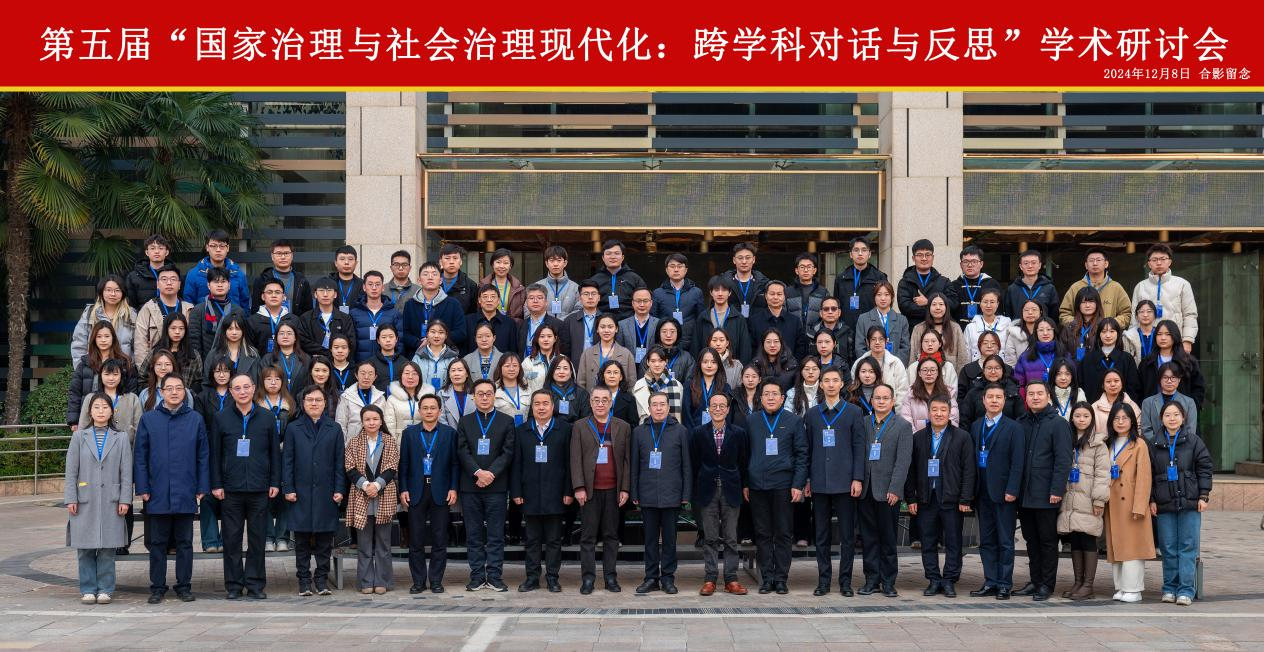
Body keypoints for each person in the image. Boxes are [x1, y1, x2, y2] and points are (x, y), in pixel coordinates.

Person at [134, 373, 210, 604]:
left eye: (179, 388)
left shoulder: (195, 419)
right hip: (157, 491)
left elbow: (203, 455)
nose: (174, 392)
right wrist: (142, 487)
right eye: (169, 388)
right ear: (161, 392)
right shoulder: (149, 419)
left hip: (186, 489)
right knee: (157, 543)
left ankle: (184, 586)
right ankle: (157, 587)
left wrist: (202, 486)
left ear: (185, 391)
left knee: (185, 543)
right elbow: (140, 457)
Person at [210, 373, 280, 600]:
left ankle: (255, 584)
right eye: (237, 388)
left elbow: (274, 453)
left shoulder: (267, 417)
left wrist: (274, 482)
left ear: (253, 388)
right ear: (231, 391)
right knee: (231, 539)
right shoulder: (220, 418)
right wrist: (216, 484)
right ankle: (233, 585)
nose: (242, 392)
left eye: (246, 387)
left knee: (257, 539)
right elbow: (215, 454)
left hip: (260, 488)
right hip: (231, 489)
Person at [65, 392, 133, 605]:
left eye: (105, 407)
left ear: (112, 411)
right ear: (90, 411)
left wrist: (125, 499)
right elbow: (71, 471)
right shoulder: (79, 437)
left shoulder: (121, 438)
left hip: (111, 500)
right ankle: (87, 588)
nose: (101, 411)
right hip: (84, 499)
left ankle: (105, 588)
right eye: (96, 407)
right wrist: (71, 498)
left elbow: (126, 472)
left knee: (107, 548)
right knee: (84, 547)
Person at [804, 368, 866, 596]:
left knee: (847, 537)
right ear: (820, 384)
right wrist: (807, 479)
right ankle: (823, 581)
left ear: (842, 384)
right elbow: (807, 449)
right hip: (819, 482)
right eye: (826, 381)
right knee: (821, 536)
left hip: (845, 482)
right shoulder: (812, 414)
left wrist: (857, 478)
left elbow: (859, 448)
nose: (831, 384)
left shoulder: (853, 412)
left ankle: (845, 582)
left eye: (835, 380)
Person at [905, 395, 975, 598]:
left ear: (950, 412)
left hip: (952, 499)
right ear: (928, 412)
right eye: (934, 410)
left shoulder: (962, 437)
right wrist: (911, 498)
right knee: (927, 542)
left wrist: (965, 498)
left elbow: (969, 470)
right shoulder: (918, 437)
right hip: (926, 499)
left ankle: (949, 580)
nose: (938, 414)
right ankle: (934, 579)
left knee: (953, 542)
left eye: (943, 410)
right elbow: (911, 471)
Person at [744, 381, 808, 595]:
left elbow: (802, 455)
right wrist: (746, 482)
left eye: (774, 394)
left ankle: (781, 579)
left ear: (782, 398)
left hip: (784, 485)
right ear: (760, 398)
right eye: (766, 394)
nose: (770, 397)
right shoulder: (751, 421)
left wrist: (798, 484)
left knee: (783, 533)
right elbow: (745, 454)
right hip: (757, 485)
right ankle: (766, 578)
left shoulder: (794, 421)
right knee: (762, 533)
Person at [281, 385, 346, 597]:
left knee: (324, 540)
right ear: (303, 403)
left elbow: (339, 462)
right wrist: (288, 488)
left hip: (326, 492)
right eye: (310, 400)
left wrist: (339, 489)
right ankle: (303, 580)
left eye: (318, 400)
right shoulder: (294, 428)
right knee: (301, 540)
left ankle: (321, 580)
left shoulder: (334, 428)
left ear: (325, 403)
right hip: (300, 492)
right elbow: (287, 461)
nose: (314, 403)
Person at [1150, 401, 1213, 606]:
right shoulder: (1154, 444)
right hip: (1164, 503)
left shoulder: (1194, 441)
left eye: (1176, 414)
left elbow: (1205, 468)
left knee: (1188, 546)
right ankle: (1169, 588)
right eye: (1167, 415)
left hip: (1190, 502)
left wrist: (1204, 495)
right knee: (1168, 547)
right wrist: (1151, 499)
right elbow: (1148, 475)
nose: (1172, 418)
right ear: (1161, 419)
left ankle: (1186, 589)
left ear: (1183, 417)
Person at [1015, 381, 1073, 601]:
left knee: (1047, 541)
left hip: (1047, 493)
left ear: (1049, 396)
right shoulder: (1021, 422)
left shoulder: (1058, 424)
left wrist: (1057, 489)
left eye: (1040, 393)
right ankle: (1035, 580)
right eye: (1031, 394)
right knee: (1031, 540)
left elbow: (1063, 459)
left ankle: (1046, 584)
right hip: (1025, 492)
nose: (1035, 397)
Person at [570, 386, 631, 594]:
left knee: (611, 536)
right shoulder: (580, 426)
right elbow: (575, 458)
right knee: (587, 537)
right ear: (590, 402)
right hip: (589, 491)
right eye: (596, 399)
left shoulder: (623, 427)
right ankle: (588, 579)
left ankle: (610, 578)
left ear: (611, 402)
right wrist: (579, 487)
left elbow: (627, 461)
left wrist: (625, 488)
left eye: (605, 400)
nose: (600, 403)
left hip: (614, 490)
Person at [456, 379, 515, 592]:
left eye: (488, 393)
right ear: (473, 397)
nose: (484, 397)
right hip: (470, 486)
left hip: (497, 487)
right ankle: (477, 577)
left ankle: (495, 576)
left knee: (496, 535)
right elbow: (462, 450)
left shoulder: (506, 421)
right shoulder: (465, 421)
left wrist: (491, 473)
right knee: (473, 535)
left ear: (494, 396)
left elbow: (508, 451)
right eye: (480, 394)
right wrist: (478, 472)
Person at [510, 391, 573, 592]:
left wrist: (568, 491)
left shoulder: (565, 429)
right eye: (537, 404)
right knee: (532, 540)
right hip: (530, 494)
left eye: (545, 403)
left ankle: (553, 578)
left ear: (553, 406)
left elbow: (570, 463)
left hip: (556, 493)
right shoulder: (522, 430)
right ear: (532, 407)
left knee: (554, 540)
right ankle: (532, 578)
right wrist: (516, 491)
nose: (541, 407)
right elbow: (516, 464)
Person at [630, 393, 692, 594]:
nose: (658, 408)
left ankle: (667, 578)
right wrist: (634, 492)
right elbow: (634, 465)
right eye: (654, 405)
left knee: (669, 541)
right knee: (649, 541)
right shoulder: (639, 432)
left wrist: (686, 494)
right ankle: (650, 578)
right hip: (647, 494)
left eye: (662, 404)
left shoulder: (681, 431)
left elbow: (686, 465)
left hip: (672, 495)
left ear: (668, 407)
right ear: (648, 408)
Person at [690, 391, 750, 596]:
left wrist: (744, 485)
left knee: (731, 537)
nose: (717, 409)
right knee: (710, 537)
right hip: (707, 490)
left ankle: (731, 579)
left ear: (727, 409)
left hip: (731, 489)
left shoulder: (739, 433)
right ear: (708, 409)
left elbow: (743, 462)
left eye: (722, 406)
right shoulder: (698, 433)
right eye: (714, 406)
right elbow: (694, 463)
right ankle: (710, 578)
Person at [969, 382, 1025, 600]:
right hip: (982, 492)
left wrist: (1012, 489)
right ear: (983, 400)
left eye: (998, 397)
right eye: (990, 397)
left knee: (1005, 541)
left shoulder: (1014, 428)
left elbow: (1018, 462)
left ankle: (1004, 584)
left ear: (1004, 401)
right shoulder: (976, 426)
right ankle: (990, 581)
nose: (994, 400)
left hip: (1004, 494)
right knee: (986, 541)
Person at [398, 394, 459, 594]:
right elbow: (404, 464)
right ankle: (418, 581)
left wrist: (453, 487)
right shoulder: (409, 433)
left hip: (441, 491)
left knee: (439, 539)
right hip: (416, 490)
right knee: (416, 539)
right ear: (419, 411)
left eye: (433, 408)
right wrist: (403, 489)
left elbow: (454, 464)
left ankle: (436, 581)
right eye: (425, 408)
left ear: (439, 411)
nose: (429, 411)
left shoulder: (450, 433)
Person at [856, 384, 913, 597]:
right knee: (868, 538)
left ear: (892, 401)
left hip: (888, 492)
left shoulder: (903, 426)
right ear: (871, 401)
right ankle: (871, 580)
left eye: (885, 398)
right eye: (877, 398)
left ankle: (888, 581)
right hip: (866, 490)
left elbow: (903, 461)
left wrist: (895, 488)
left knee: (888, 539)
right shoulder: (863, 423)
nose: (881, 401)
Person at [1101, 403, 1154, 603]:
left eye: (1125, 418)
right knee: (1117, 546)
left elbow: (1144, 478)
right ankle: (1121, 586)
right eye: (1116, 418)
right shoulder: (1108, 443)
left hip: (1131, 502)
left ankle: (1134, 589)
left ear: (1132, 421)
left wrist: (1140, 506)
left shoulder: (1139, 444)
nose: (1121, 422)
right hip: (1112, 501)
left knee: (1133, 547)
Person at [1056, 402, 1110, 601]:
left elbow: (1103, 474)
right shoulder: (1066, 440)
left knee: (1088, 539)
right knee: (1075, 540)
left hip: (1088, 499)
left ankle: (1088, 585)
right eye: (1077, 416)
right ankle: (1078, 582)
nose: (1081, 419)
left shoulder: (1098, 444)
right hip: (1070, 497)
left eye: (1086, 416)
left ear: (1092, 419)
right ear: (1072, 418)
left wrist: (1099, 500)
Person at [345, 405, 399, 594]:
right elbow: (350, 467)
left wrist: (376, 485)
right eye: (367, 419)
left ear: (381, 421)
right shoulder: (354, 442)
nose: (372, 422)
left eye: (375, 419)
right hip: (361, 496)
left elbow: (392, 467)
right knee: (364, 544)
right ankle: (366, 582)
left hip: (384, 495)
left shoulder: (390, 441)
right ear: (362, 422)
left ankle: (383, 581)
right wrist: (365, 485)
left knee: (383, 543)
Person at [67, 323, 137, 428]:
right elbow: (75, 393)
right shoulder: (85, 364)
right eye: (99, 336)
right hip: (90, 417)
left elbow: (132, 392)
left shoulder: (124, 363)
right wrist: (74, 421)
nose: (103, 340)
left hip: (120, 417)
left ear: (113, 338)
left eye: (107, 336)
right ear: (94, 339)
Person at [1131, 244, 1198, 353]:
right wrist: (1132, 339)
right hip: (1147, 340)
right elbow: (1134, 316)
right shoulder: (1140, 286)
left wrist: (1187, 340)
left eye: (1163, 259)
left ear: (1170, 262)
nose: (1159, 263)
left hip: (1174, 339)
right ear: (1149, 263)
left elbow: (1190, 314)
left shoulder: (1182, 284)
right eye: (1154, 260)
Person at [402, 261, 467, 358]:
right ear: (419, 280)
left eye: (434, 274)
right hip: (417, 355)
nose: (430, 277)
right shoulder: (410, 304)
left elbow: (461, 332)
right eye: (425, 274)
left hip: (445, 355)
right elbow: (405, 333)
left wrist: (437, 339)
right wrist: (418, 343)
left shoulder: (453, 304)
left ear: (440, 280)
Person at [133, 265, 193, 368]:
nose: (169, 283)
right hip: (156, 368)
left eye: (173, 279)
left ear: (179, 284)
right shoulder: (147, 309)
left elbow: (193, 341)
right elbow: (140, 343)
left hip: (184, 365)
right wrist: (145, 371)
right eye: (164, 279)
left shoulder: (189, 309)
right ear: (157, 284)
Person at [71, 275, 138, 365]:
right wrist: (81, 369)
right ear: (101, 291)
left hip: (123, 369)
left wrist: (131, 368)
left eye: (117, 290)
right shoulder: (90, 313)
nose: (113, 294)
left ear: (123, 293)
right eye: (108, 290)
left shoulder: (131, 315)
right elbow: (79, 343)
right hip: (94, 368)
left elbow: (138, 346)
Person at [1139, 320, 1207, 408]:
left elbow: (1199, 388)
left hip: (1182, 411)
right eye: (1159, 334)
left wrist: (1191, 407)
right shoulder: (1147, 362)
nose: (1163, 338)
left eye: (1168, 334)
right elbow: (1139, 389)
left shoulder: (1188, 362)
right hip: (1153, 411)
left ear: (1175, 336)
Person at [1060, 248, 1132, 328]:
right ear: (1086, 265)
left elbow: (1127, 314)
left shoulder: (1116, 287)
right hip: (1081, 334)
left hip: (1107, 334)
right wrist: (1078, 324)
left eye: (1098, 260)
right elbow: (1064, 314)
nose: (1095, 263)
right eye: (1091, 260)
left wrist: (1110, 325)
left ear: (1106, 264)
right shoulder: (1075, 287)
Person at [1077, 318, 1142, 404]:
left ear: (1118, 333)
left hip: (1121, 409)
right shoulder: (1088, 360)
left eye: (1112, 331)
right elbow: (1081, 387)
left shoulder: (1127, 359)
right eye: (1104, 332)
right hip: (1094, 408)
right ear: (1099, 334)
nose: (1108, 335)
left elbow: (1133, 388)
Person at [183, 230, 251, 308]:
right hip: (204, 316)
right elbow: (189, 304)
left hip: (233, 315)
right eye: (213, 246)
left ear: (227, 248)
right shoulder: (194, 274)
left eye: (222, 246)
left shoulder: (238, 274)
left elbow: (245, 304)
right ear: (207, 247)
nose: (218, 250)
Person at [834, 236, 889, 333]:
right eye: (856, 250)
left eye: (864, 250)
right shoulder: (841, 278)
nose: (860, 253)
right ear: (851, 254)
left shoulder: (879, 277)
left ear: (869, 254)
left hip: (872, 330)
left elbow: (886, 305)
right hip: (846, 330)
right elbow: (836, 305)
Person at [851, 326, 911, 412]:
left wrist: (894, 413)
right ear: (867, 342)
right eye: (873, 339)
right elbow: (854, 387)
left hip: (891, 413)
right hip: (863, 411)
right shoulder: (859, 363)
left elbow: (902, 392)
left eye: (881, 339)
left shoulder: (896, 363)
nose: (877, 342)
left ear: (886, 341)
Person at [694, 277, 753, 362]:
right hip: (708, 365)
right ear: (711, 292)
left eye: (724, 290)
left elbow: (745, 348)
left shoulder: (738, 318)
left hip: (732, 366)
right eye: (716, 290)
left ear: (729, 293)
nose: (720, 294)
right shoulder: (703, 317)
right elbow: (696, 347)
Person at [587, 239, 647, 323]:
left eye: (617, 253)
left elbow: (645, 302)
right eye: (608, 253)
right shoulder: (594, 280)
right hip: (602, 324)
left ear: (622, 257)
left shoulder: (635, 279)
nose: (612, 257)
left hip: (629, 323)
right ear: (603, 258)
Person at [653, 253, 706, 347]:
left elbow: (700, 319)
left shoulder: (696, 292)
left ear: (686, 270)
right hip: (666, 341)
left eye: (680, 266)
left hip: (690, 342)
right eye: (672, 266)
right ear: (666, 270)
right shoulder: (658, 293)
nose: (676, 269)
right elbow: (654, 319)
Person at [351, 271, 404, 363]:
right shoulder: (354, 313)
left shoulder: (394, 313)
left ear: (383, 287)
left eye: (377, 284)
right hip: (362, 365)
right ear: (364, 287)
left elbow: (400, 342)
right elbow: (351, 342)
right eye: (370, 284)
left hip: (386, 363)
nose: (374, 288)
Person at [898, 239, 955, 323]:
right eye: (920, 255)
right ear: (913, 258)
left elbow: (953, 304)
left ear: (933, 257)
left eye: (928, 255)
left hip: (938, 328)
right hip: (913, 328)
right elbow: (905, 308)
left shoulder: (944, 282)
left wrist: (929, 302)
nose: (924, 258)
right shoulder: (905, 282)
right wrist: (937, 308)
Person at [297, 277, 357, 358]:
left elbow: (351, 342)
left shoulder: (345, 318)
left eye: (329, 290)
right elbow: (303, 341)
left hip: (338, 362)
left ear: (335, 294)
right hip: (313, 362)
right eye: (321, 290)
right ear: (315, 294)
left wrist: (331, 353)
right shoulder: (305, 318)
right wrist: (327, 352)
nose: (325, 294)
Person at [142, 313, 203, 392]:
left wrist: (189, 394)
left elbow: (199, 381)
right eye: (173, 328)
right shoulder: (156, 352)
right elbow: (142, 378)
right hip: (158, 396)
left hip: (185, 397)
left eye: (181, 328)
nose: (177, 332)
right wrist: (153, 393)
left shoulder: (193, 355)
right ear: (166, 329)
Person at [1140, 362, 1200, 442]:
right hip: (1155, 446)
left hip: (1182, 446)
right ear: (1159, 380)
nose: (1169, 381)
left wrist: (1179, 445)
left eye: (1173, 377)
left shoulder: (1189, 402)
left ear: (1179, 379)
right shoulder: (1148, 402)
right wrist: (1158, 443)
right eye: (1165, 377)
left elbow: (1191, 429)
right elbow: (1146, 429)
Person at [854, 280, 911, 364]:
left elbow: (905, 348)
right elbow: (860, 347)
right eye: (879, 294)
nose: (883, 298)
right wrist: (872, 365)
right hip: (871, 367)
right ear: (874, 297)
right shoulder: (863, 319)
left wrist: (894, 364)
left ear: (892, 297)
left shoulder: (902, 320)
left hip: (894, 366)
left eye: (887, 294)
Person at [748, 281, 803, 366]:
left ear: (785, 296)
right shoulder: (754, 321)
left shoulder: (794, 321)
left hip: (789, 369)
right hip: (761, 368)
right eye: (772, 294)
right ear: (766, 296)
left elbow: (800, 348)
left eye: (779, 294)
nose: (775, 297)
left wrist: (793, 365)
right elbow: (751, 348)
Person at [577, 314, 636, 392]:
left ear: (616, 329)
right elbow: (581, 382)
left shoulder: (626, 354)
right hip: (592, 398)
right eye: (602, 327)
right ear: (597, 329)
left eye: (610, 327)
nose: (606, 330)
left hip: (619, 398)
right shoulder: (587, 354)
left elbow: (632, 383)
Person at [252, 240, 312, 315]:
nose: (283, 257)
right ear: (272, 256)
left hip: (295, 322)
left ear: (292, 256)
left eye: (286, 253)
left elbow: (308, 311)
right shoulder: (262, 280)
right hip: (268, 322)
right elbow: (255, 309)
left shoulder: (301, 280)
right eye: (279, 253)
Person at [960, 355, 1022, 427]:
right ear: (983, 370)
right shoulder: (974, 392)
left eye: (997, 368)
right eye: (989, 368)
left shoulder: (1013, 391)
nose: (993, 372)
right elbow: (965, 419)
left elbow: (1020, 418)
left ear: (1003, 370)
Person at [948, 245, 1002, 328]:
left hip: (986, 331)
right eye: (965, 261)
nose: (970, 265)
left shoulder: (992, 284)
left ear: (981, 264)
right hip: (959, 330)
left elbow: (999, 311)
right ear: (961, 264)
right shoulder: (953, 285)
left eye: (974, 261)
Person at [335, 361, 387, 442]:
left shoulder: (380, 397)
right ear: (356, 375)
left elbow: (385, 422)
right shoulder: (346, 396)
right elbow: (341, 424)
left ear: (375, 377)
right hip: (353, 443)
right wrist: (344, 445)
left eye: (370, 374)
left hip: (376, 442)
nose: (366, 377)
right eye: (363, 373)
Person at [1003, 249, 1059, 321]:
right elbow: (1008, 315)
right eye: (1026, 263)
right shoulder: (1012, 289)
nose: (1030, 266)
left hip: (1042, 327)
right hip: (1018, 327)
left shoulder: (1049, 288)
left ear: (1039, 265)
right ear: (1021, 266)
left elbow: (1054, 315)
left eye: (1033, 263)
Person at [633, 346, 685, 423]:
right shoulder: (639, 385)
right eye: (653, 361)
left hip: (672, 428)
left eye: (660, 361)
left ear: (666, 362)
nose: (657, 364)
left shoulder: (677, 385)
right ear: (647, 362)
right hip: (646, 428)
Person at [1012, 318, 1062, 397]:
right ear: (1036, 333)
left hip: (1060, 401)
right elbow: (1019, 385)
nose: (1045, 333)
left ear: (1054, 331)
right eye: (1041, 330)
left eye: (1049, 329)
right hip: (1034, 400)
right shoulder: (1025, 357)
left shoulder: (1064, 354)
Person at [383, 361, 434, 440]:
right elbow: (389, 425)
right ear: (401, 376)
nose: (410, 377)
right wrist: (393, 444)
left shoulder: (428, 398)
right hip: (400, 441)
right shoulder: (392, 399)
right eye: (407, 373)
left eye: (414, 374)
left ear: (420, 377)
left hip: (424, 440)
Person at [717, 242, 770, 317]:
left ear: (754, 259)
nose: (744, 261)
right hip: (731, 323)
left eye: (748, 258)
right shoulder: (723, 283)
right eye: (740, 258)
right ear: (734, 260)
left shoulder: (764, 283)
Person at [465, 284, 519, 356]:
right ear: (479, 300)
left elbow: (513, 351)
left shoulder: (509, 323)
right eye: (485, 297)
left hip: (502, 362)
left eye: (493, 297)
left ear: (498, 300)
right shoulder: (468, 321)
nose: (489, 300)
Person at [125, 234, 175, 311]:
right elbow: (131, 305)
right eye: (152, 248)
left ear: (166, 252)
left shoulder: (175, 275)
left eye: (161, 248)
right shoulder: (134, 277)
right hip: (143, 317)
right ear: (147, 252)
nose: (157, 251)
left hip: (170, 316)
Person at [521, 284, 571, 359]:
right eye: (531, 298)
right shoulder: (520, 325)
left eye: (539, 298)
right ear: (526, 302)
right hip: (524, 364)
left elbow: (564, 351)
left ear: (546, 302)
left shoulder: (558, 325)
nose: (535, 301)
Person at [962, 288, 1011, 363]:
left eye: (992, 302)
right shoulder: (971, 327)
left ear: (997, 304)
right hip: (977, 367)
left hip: (1001, 367)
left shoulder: (1007, 325)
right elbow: (966, 353)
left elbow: (1011, 353)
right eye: (985, 302)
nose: (988, 305)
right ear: (980, 304)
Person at [787, 252, 830, 334]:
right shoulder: (788, 292)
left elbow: (827, 316)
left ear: (814, 270)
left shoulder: (823, 292)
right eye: (802, 267)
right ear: (796, 270)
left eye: (809, 267)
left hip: (816, 335)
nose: (806, 270)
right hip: (793, 334)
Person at [908, 328, 960, 395]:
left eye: (933, 341)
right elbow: (909, 392)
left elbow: (953, 392)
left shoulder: (948, 367)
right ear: (921, 344)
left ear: (940, 344)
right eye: (926, 341)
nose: (930, 344)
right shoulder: (913, 367)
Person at [532, 245, 579, 319]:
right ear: (546, 263)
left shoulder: (575, 288)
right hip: (543, 326)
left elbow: (579, 310)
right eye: (552, 260)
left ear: (565, 263)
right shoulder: (537, 286)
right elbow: (528, 309)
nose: (555, 264)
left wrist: (562, 323)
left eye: (559, 260)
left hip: (567, 325)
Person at [805, 297, 854, 368]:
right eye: (826, 309)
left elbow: (851, 360)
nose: (830, 312)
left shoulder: (848, 332)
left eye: (833, 309)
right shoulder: (811, 333)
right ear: (821, 313)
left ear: (839, 312)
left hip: (842, 372)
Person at [413, 320, 460, 393]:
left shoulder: (453, 358)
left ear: (446, 335)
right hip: (422, 397)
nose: (436, 336)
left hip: (447, 397)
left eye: (441, 332)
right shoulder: (418, 357)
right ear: (427, 334)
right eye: (433, 332)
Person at [1090, 369, 1141, 436]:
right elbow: (1090, 432)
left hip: (1128, 442)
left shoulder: (1132, 405)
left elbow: (1139, 429)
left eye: (1116, 381)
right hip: (1101, 442)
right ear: (1103, 385)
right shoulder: (1095, 407)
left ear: (1122, 383)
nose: (1113, 384)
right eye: (1108, 381)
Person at [617, 287, 658, 366]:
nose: (642, 304)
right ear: (632, 303)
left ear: (651, 303)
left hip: (652, 368)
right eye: (638, 301)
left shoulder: (658, 324)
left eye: (645, 301)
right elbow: (619, 351)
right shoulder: (622, 325)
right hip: (628, 367)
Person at [1061, 287, 1103, 363]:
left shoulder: (1104, 326)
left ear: (1097, 304)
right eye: (1083, 302)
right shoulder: (1069, 328)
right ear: (1078, 305)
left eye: (1091, 301)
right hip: (1074, 368)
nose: (1087, 305)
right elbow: (1062, 354)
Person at [437, 243, 479, 315]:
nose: (451, 262)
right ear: (440, 262)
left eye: (455, 258)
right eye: (447, 258)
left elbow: (473, 314)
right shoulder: (432, 282)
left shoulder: (470, 285)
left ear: (461, 261)